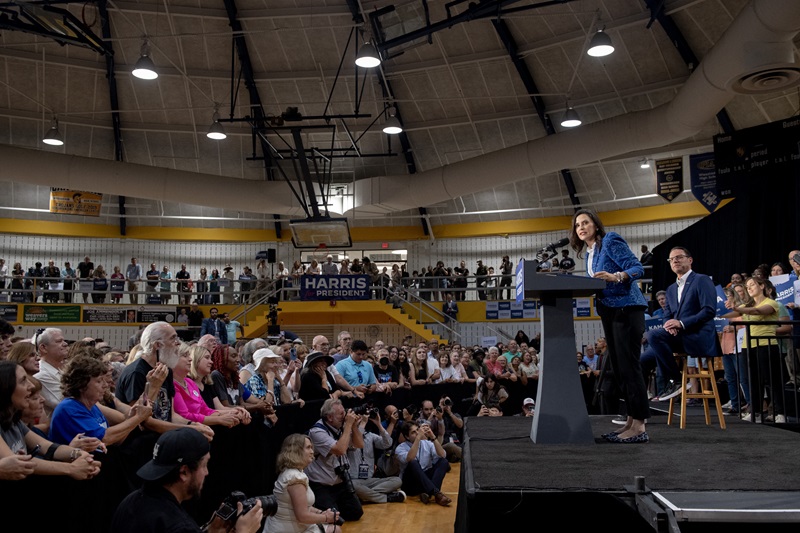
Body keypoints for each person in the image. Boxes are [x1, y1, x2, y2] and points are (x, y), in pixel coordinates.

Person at [570, 208, 649, 443]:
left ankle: (640, 426)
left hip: (626, 309)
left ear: (595, 224)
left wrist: (618, 276)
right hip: (609, 310)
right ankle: (631, 421)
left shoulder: (611, 240)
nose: (581, 227)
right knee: (620, 368)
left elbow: (637, 268)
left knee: (630, 366)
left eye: (585, 222)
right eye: (577, 225)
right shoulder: (588, 254)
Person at [111, 427, 264, 533]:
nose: (207, 472)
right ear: (184, 472)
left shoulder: (130, 501)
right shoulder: (177, 525)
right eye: (204, 465)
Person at [640, 247, 718, 405]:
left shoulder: (702, 280)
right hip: (678, 337)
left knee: (653, 335)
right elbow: (667, 315)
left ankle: (674, 380)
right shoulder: (670, 289)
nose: (675, 260)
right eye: (671, 259)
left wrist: (681, 324)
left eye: (679, 257)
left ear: (690, 260)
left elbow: (708, 311)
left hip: (698, 336)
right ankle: (638, 408)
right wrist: (669, 326)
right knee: (641, 359)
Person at [0, 360, 101, 480]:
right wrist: (71, 468)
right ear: (5, 388)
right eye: (23, 381)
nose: (30, 386)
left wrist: (80, 454)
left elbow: (46, 446)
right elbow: (18, 464)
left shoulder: (14, 421)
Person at [49, 353, 152, 449]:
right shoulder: (69, 408)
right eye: (99, 381)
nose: (105, 385)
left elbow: (116, 441)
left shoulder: (91, 406)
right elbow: (104, 438)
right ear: (81, 384)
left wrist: (131, 417)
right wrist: (138, 418)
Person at [724, 276, 784, 423]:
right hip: (747, 346)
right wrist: (724, 308)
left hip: (766, 344)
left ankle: (780, 412)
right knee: (753, 380)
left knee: (772, 380)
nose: (749, 288)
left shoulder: (771, 303)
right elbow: (730, 315)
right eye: (747, 286)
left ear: (762, 286)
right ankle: (756, 411)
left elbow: (758, 311)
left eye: (752, 285)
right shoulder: (745, 306)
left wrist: (737, 308)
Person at [264, 433, 343, 533]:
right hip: (288, 529)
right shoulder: (294, 478)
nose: (312, 452)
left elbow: (306, 507)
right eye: (308, 448)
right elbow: (302, 516)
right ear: (296, 451)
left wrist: (321, 512)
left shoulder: (295, 472)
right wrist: (326, 518)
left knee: (334, 529)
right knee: (335, 530)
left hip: (298, 526)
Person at [305, 398, 364, 522]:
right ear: (330, 417)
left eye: (344, 412)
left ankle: (335, 507)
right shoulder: (317, 431)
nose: (345, 416)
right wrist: (348, 425)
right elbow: (340, 450)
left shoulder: (342, 427)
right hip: (321, 485)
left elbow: (359, 444)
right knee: (335, 520)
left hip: (340, 482)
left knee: (356, 513)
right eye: (341, 414)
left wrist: (353, 426)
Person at [345, 412, 406, 505]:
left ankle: (364, 496)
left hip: (369, 480)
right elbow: (354, 445)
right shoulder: (347, 436)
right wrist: (361, 425)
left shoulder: (370, 436)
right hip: (354, 480)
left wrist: (379, 424)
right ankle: (386, 497)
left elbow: (387, 443)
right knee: (352, 486)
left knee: (397, 480)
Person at [394, 421, 451, 506]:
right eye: (413, 432)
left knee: (444, 461)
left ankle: (429, 493)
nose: (417, 433)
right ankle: (436, 493)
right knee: (413, 463)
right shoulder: (400, 448)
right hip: (410, 484)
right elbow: (410, 458)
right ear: (407, 436)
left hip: (425, 481)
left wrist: (433, 437)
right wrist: (418, 438)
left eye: (418, 430)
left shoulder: (427, 443)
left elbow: (443, 455)